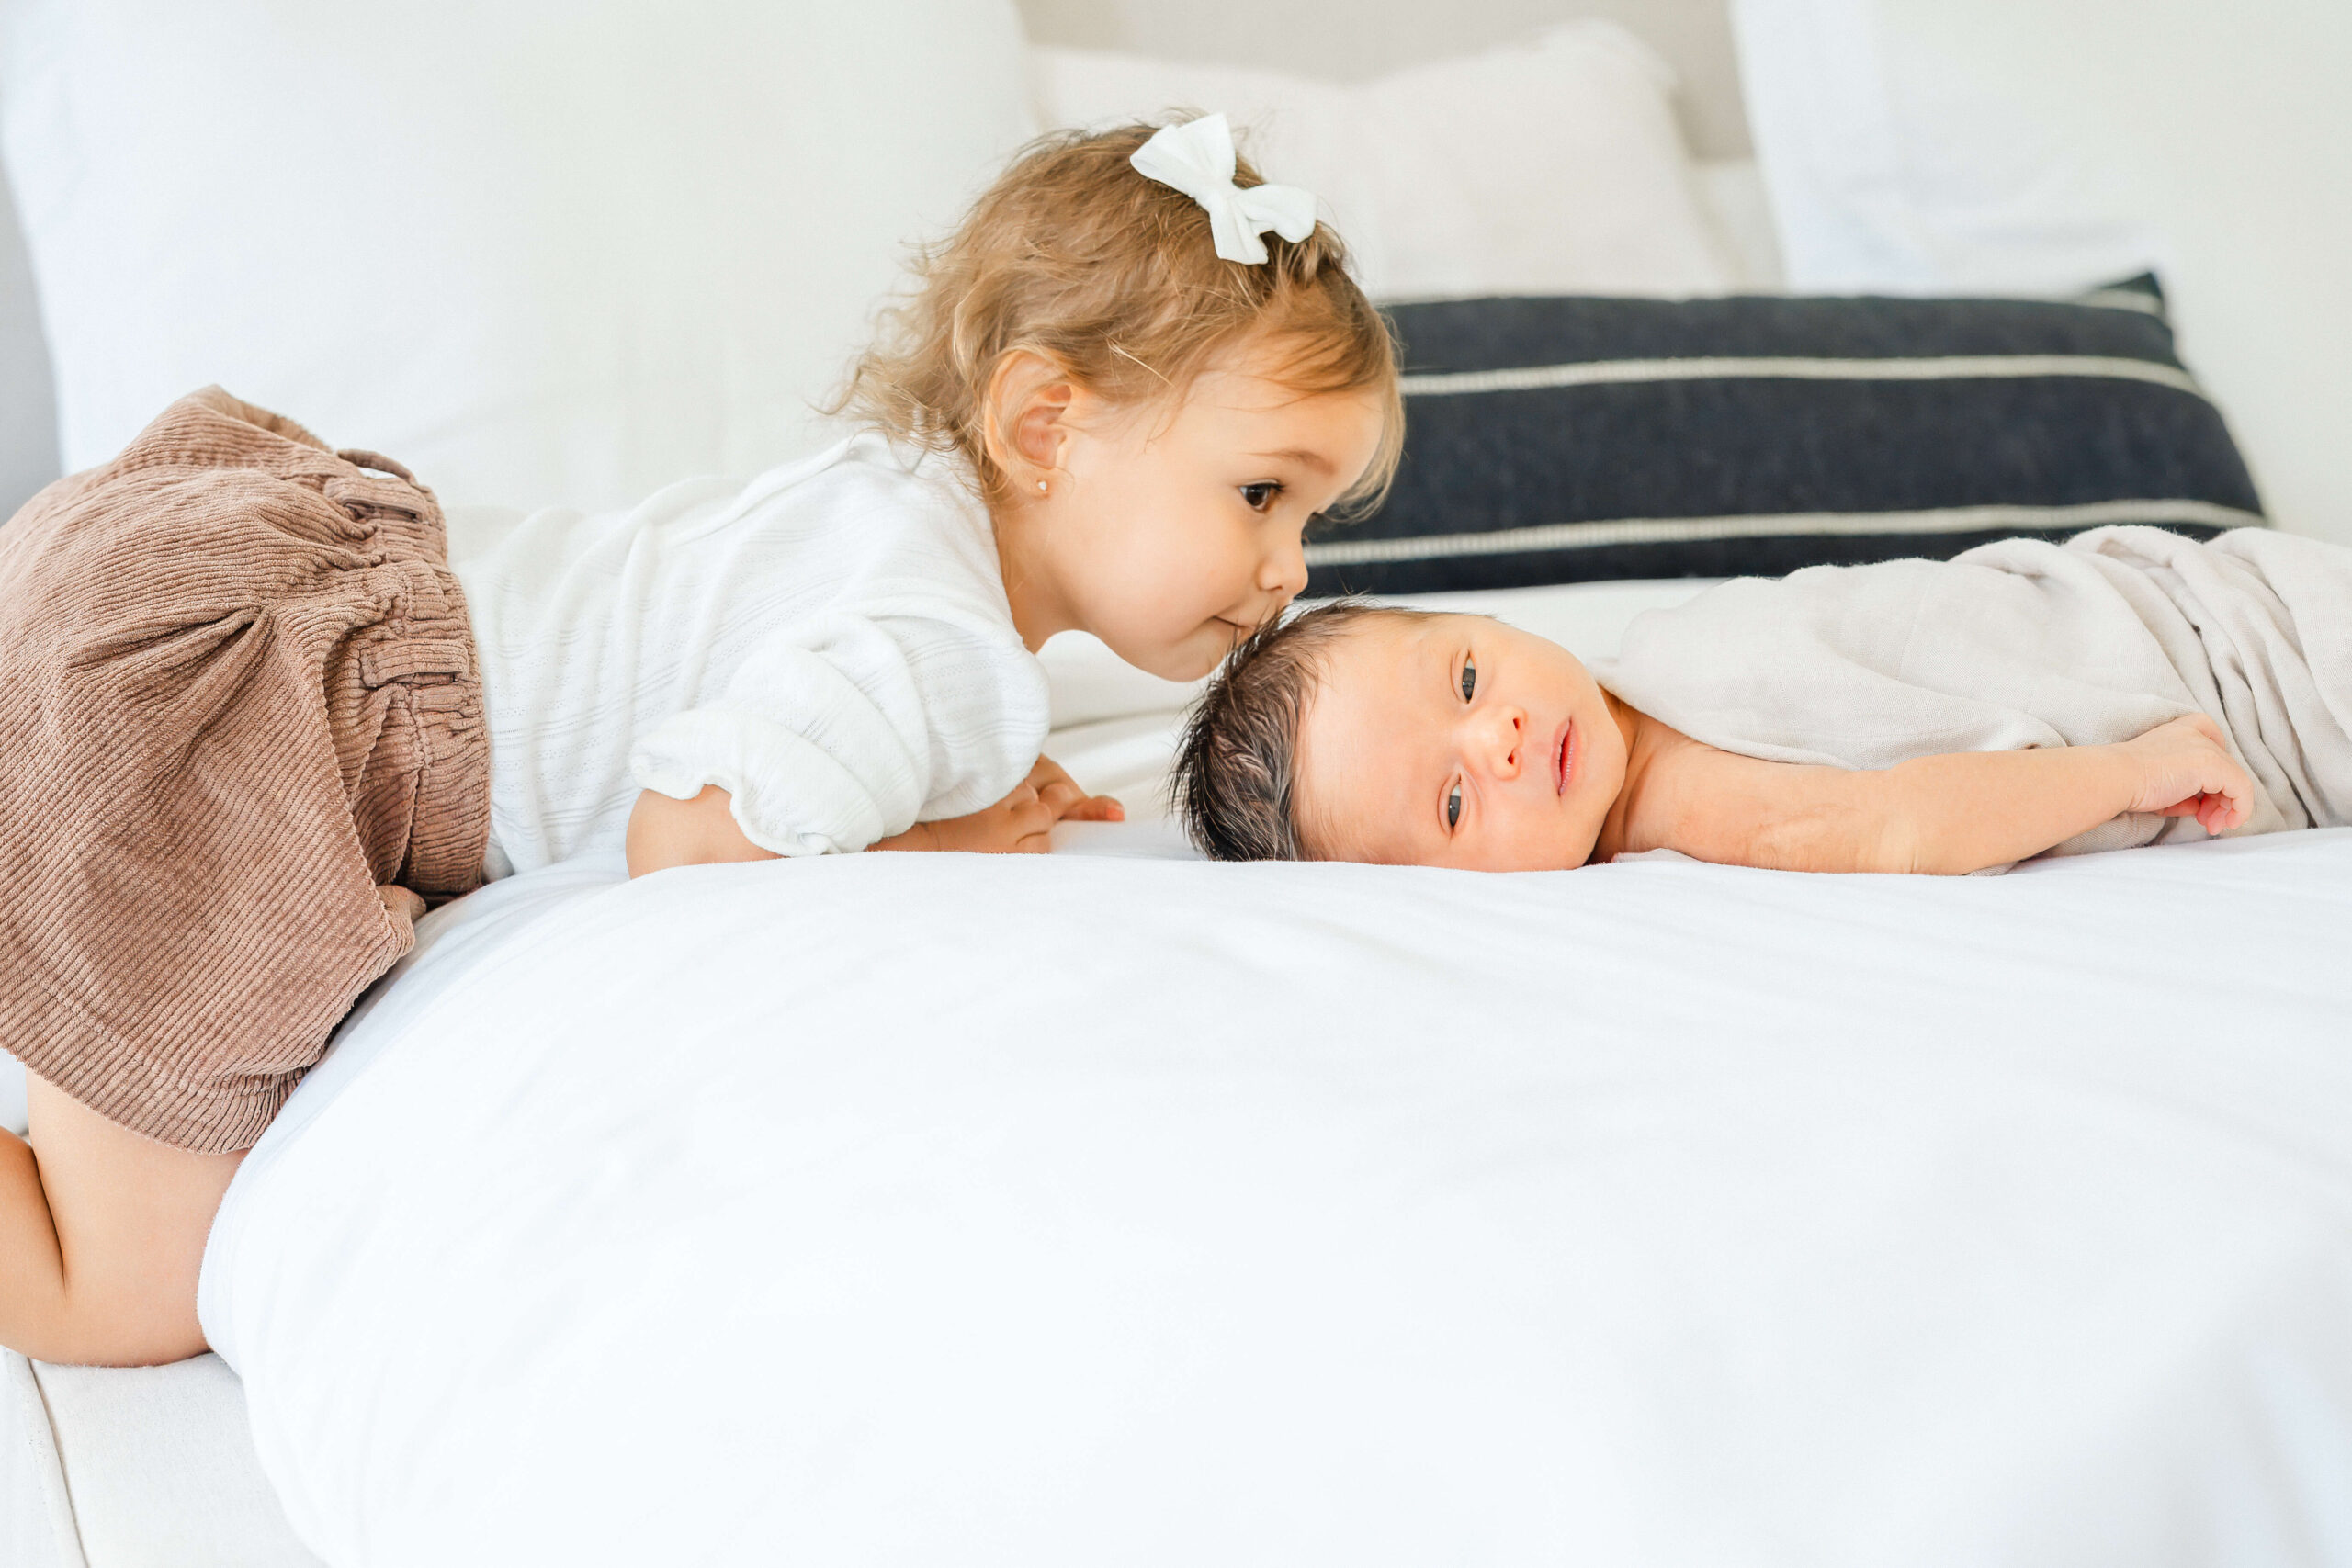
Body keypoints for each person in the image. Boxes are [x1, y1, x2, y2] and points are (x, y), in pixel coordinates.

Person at [0, 114, 1401, 1366]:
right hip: (281, 711)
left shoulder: (892, 501)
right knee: (114, 1300)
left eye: (1308, 520)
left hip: (246, 579)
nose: (1287, 569)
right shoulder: (947, 653)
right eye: (1262, 492)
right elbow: (685, 838)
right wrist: (939, 835)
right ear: (1046, 424)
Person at [1174, 526, 2352, 873]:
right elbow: (1885, 825)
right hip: (2262, 676)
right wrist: (2127, 771)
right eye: (1448, 803)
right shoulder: (1692, 803)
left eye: (1469, 679)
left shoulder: (1672, 662)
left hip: (2228, 619)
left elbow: (1894, 812)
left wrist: (2137, 763)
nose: (1505, 737)